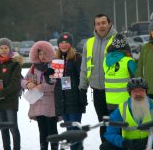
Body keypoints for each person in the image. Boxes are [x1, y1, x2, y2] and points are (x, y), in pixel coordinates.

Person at [100, 78, 153, 150]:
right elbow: (110, 132)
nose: (138, 94)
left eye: (141, 90)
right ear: (130, 93)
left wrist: (151, 141)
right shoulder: (122, 108)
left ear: (146, 92)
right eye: (135, 91)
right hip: (129, 145)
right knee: (105, 147)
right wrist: (124, 143)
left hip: (152, 143)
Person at [79, 14, 117, 142]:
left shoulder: (118, 40)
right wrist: (82, 88)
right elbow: (84, 67)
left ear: (109, 23)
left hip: (115, 91)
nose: (101, 26)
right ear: (95, 26)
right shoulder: (89, 43)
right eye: (98, 23)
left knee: (116, 124)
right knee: (102, 123)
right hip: (97, 92)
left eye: (103, 22)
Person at [21, 41, 58, 150]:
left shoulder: (54, 67)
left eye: (44, 54)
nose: (42, 56)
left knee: (52, 131)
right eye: (40, 54)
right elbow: (22, 81)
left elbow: (54, 84)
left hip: (51, 104)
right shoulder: (33, 68)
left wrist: (40, 87)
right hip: (37, 104)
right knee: (42, 131)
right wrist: (28, 84)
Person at [54, 32, 86, 150]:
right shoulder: (56, 59)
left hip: (74, 100)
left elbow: (82, 77)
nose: (64, 45)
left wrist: (82, 96)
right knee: (69, 131)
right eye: (61, 42)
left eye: (66, 42)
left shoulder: (77, 57)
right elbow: (53, 81)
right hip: (62, 101)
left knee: (75, 131)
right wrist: (48, 75)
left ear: (71, 44)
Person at [0, 38, 23, 150]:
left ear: (10, 49)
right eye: (1, 48)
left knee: (13, 128)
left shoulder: (15, 64)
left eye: (6, 48)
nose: (3, 50)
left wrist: (0, 94)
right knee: (3, 128)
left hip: (10, 101)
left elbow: (14, 84)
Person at [103, 34, 136, 112]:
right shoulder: (128, 61)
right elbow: (137, 81)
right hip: (126, 101)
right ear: (126, 46)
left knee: (114, 123)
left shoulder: (105, 61)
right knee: (128, 124)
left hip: (110, 101)